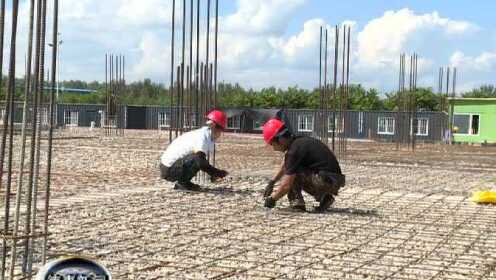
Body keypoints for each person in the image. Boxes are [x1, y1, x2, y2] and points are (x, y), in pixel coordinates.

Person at [262, 118, 345, 212]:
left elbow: (286, 185)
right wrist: (272, 182)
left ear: (280, 139)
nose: (274, 148)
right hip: (334, 180)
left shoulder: (294, 151)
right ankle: (325, 198)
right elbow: (285, 164)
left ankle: (297, 205)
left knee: (293, 173)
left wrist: (272, 199)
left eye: (272, 144)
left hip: (327, 180)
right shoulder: (298, 142)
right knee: (292, 168)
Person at [159, 110, 229, 191]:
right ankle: (183, 183)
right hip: (168, 170)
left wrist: (213, 174)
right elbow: (200, 161)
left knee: (199, 158)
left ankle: (184, 182)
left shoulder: (205, 135)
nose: (220, 133)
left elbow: (202, 162)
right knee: (197, 159)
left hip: (171, 167)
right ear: (214, 126)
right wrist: (217, 172)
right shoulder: (202, 137)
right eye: (221, 130)